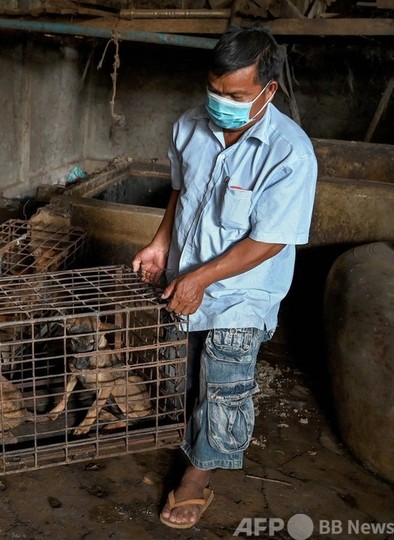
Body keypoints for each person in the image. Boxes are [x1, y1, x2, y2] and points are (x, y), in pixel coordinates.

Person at [132, 26, 317, 529]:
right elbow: (180, 191)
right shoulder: (189, 126)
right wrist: (160, 244)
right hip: (187, 278)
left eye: (235, 96)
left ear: (268, 90)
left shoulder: (289, 153)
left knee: (225, 382)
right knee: (189, 373)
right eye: (214, 90)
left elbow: (270, 240)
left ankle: (197, 479)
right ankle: (191, 435)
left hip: (242, 292)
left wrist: (202, 280)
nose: (221, 103)